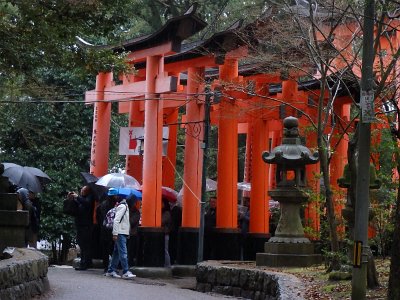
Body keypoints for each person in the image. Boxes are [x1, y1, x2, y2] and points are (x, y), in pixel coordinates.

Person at [105, 195, 136, 279]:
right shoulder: (123, 206)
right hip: (120, 232)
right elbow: (117, 220)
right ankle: (126, 271)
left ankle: (111, 270)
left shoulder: (123, 206)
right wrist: (115, 233)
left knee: (116, 252)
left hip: (121, 232)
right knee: (123, 252)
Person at [68, 185, 95, 271]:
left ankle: (84, 263)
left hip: (86, 225)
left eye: (83, 190)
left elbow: (86, 203)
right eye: (81, 190)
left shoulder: (90, 198)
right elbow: (77, 207)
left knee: (85, 245)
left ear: (87, 191)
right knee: (81, 243)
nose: (81, 191)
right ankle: (86, 262)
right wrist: (72, 199)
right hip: (80, 225)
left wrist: (77, 197)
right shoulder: (81, 199)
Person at [96, 188, 119, 273]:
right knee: (113, 249)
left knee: (105, 250)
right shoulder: (115, 206)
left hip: (103, 229)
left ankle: (106, 267)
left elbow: (98, 219)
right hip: (112, 230)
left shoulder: (101, 205)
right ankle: (113, 267)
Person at [127, 194, 141, 267]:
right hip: (125, 233)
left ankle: (130, 264)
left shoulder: (136, 212)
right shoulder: (125, 210)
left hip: (132, 234)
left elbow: (132, 222)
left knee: (130, 251)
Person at [169, 200, 182, 265]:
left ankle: (172, 260)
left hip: (174, 231)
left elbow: (174, 221)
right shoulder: (175, 209)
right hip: (174, 231)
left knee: (172, 246)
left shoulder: (176, 210)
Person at [161, 198, 172, 268]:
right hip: (162, 234)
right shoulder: (162, 212)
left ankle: (168, 265)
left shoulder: (167, 213)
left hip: (165, 234)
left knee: (165, 250)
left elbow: (161, 221)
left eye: (161, 203)